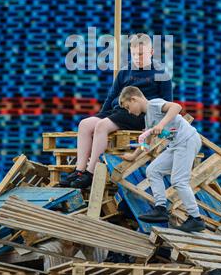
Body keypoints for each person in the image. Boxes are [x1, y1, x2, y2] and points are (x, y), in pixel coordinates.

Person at [62, 33, 172, 189]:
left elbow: (167, 102)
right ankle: (79, 170)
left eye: (141, 54)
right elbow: (112, 96)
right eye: (134, 54)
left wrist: (157, 125)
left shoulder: (161, 73)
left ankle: (90, 172)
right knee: (85, 124)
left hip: (139, 114)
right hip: (119, 111)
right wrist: (101, 115)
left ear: (152, 52)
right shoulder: (125, 71)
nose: (137, 57)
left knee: (102, 127)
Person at [119, 85, 205, 233]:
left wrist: (161, 124)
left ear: (134, 99)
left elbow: (176, 107)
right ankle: (160, 209)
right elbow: (147, 142)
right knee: (153, 170)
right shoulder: (148, 118)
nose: (129, 111)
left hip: (187, 140)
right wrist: (133, 156)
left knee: (179, 180)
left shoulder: (154, 104)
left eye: (128, 107)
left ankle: (196, 218)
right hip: (176, 145)